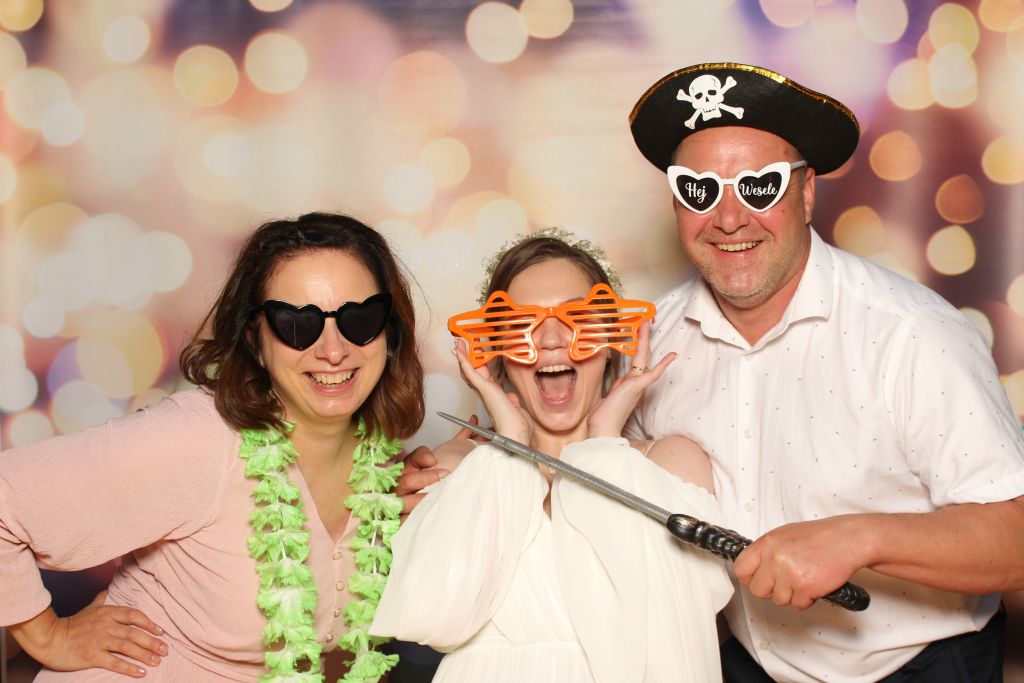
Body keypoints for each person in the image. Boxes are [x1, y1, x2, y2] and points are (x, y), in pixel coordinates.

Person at [625, 62, 1024, 682]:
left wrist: (859, 539)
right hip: (746, 664)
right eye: (699, 190)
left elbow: (1015, 538)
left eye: (758, 187)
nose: (729, 219)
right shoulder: (651, 342)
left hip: (917, 666)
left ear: (807, 193)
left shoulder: (914, 335)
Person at [0, 212, 425, 682]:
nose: (333, 350)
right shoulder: (199, 439)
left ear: (389, 331)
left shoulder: (382, 468)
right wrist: (50, 637)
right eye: (296, 324)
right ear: (255, 340)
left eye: (359, 318)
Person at [370, 229, 734, 682]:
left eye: (578, 318)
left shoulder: (671, 463)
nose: (551, 341)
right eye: (520, 325)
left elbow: (676, 633)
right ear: (496, 349)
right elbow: (434, 617)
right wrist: (511, 442)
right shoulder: (464, 465)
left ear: (611, 340)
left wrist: (603, 443)